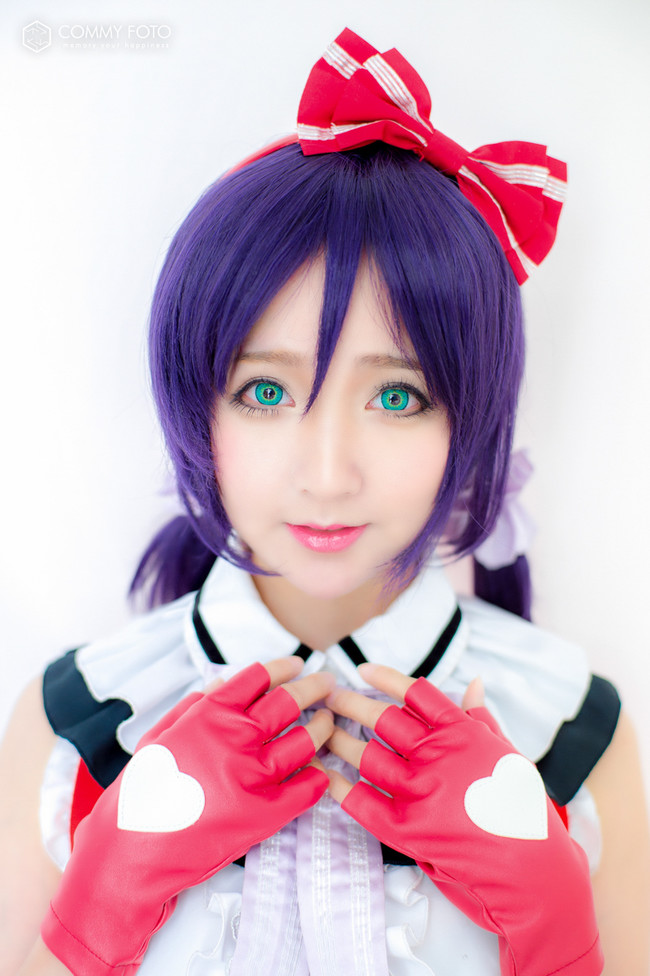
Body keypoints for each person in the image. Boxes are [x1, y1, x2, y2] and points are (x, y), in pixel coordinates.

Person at [1, 28, 648, 976]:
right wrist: (95, 915)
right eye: (265, 391)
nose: (329, 473)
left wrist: (557, 937)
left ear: (470, 421)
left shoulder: (570, 730)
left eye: (399, 397)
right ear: (195, 408)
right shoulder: (81, 721)